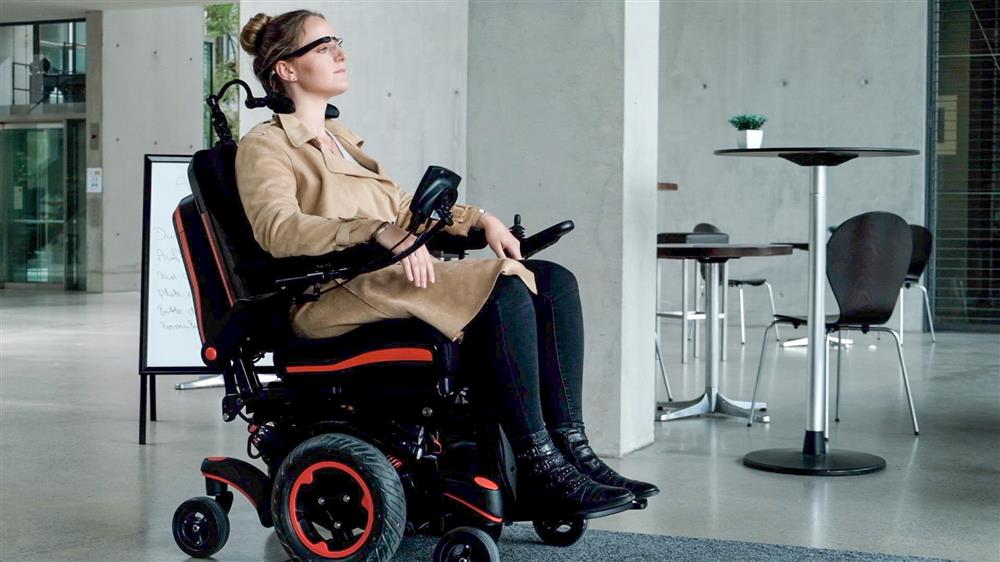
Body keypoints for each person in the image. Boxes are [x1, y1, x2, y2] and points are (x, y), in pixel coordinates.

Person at [236, 9, 658, 518]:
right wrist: (373, 231)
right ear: (286, 69)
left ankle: (574, 450)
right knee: (501, 285)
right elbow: (277, 229)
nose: (341, 54)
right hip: (329, 297)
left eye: (338, 42)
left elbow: (403, 210)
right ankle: (539, 462)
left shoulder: (344, 142)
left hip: (383, 284)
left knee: (552, 280)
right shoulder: (265, 145)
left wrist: (481, 222)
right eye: (324, 47)